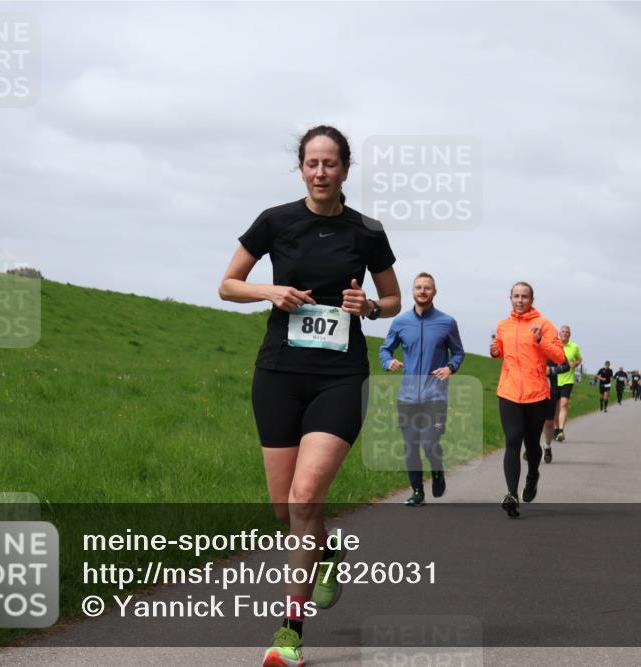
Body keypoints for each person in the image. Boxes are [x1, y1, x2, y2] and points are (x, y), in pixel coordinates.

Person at [218, 125, 401, 667]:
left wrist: (368, 307)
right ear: (301, 168)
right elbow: (228, 284)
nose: (321, 173)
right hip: (278, 373)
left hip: (341, 378)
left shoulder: (367, 230)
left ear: (346, 169)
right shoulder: (275, 221)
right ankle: (326, 554)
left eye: (331, 164)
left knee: (304, 498)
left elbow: (391, 298)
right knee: (284, 507)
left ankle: (289, 632)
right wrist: (270, 291)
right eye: (312, 163)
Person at [379, 272, 465, 507]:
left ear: (434, 292)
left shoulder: (447, 322)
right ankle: (417, 492)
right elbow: (385, 350)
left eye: (427, 288)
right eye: (418, 287)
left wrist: (450, 367)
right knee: (410, 446)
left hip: (435, 395)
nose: (423, 291)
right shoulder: (400, 322)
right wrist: (388, 362)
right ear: (413, 291)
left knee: (429, 443)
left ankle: (437, 471)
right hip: (407, 396)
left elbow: (458, 352)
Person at [490, 282, 566, 517]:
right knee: (513, 440)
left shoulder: (543, 324)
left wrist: (541, 339)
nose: (520, 300)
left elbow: (559, 356)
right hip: (509, 392)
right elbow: (501, 352)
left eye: (524, 296)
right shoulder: (503, 325)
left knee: (532, 444)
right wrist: (495, 351)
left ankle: (532, 476)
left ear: (532, 299)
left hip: (536, 393)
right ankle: (511, 495)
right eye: (516, 296)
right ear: (510, 298)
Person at [552, 325, 582, 442]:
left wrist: (576, 363)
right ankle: (555, 429)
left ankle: (561, 430)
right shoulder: (554, 345)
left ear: (570, 334)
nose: (565, 333)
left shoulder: (574, 346)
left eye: (567, 332)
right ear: (559, 333)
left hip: (568, 380)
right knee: (554, 407)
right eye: (563, 331)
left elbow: (579, 358)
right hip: (554, 379)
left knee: (564, 404)